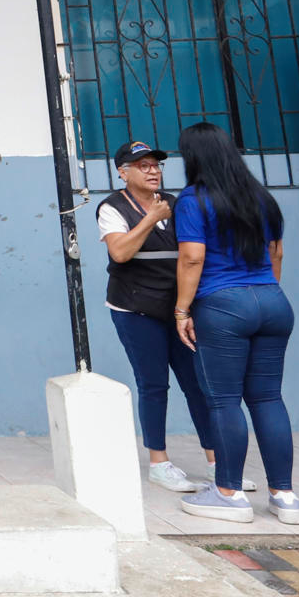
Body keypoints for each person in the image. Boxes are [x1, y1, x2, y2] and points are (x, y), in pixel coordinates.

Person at [172, 122, 298, 525]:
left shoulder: (193, 199)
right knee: (268, 398)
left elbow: (192, 257)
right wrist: (261, 296)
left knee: (224, 400)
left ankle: (228, 493)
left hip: (223, 305)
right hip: (273, 301)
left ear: (193, 157)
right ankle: (285, 496)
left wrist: (181, 310)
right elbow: (275, 254)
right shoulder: (261, 198)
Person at [98, 140, 240, 495]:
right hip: (135, 310)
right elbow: (120, 252)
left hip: (179, 310)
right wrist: (150, 219)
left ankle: (215, 463)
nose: (152, 171)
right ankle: (159, 463)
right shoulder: (111, 207)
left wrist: (188, 306)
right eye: (142, 166)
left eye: (156, 165)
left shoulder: (177, 204)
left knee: (198, 384)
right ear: (122, 172)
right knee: (153, 384)